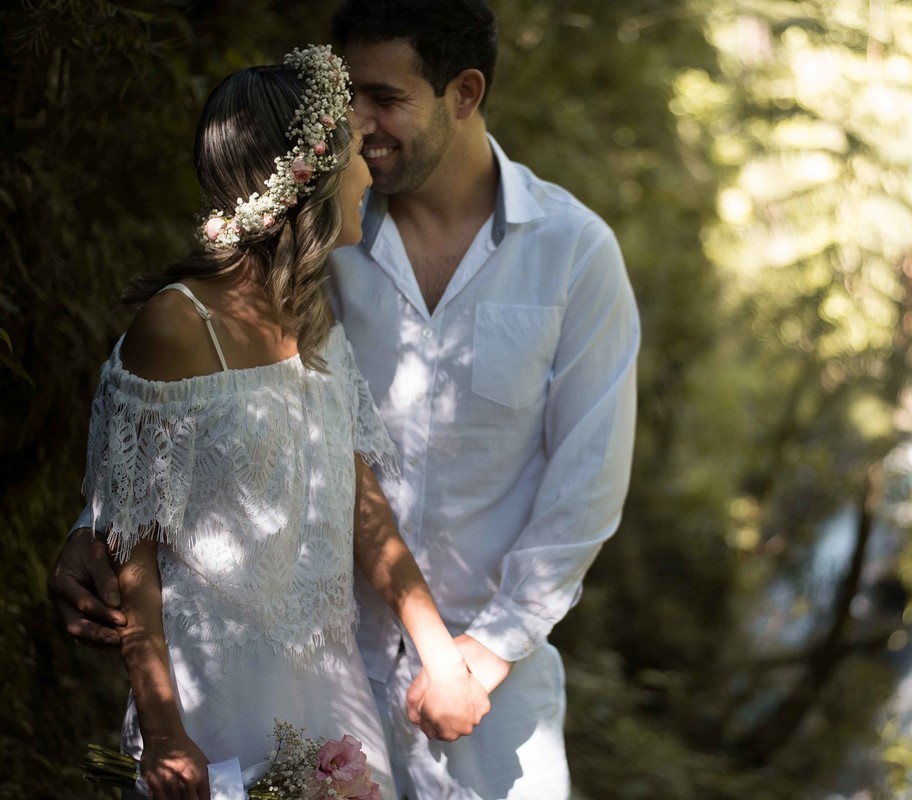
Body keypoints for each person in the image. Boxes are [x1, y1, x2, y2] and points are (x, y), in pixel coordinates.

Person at [49, 2, 640, 797]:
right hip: (321, 672)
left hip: (489, 682)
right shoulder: (321, 242)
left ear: (463, 93)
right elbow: (176, 415)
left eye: (383, 98)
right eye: (345, 98)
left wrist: (485, 652)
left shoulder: (573, 255)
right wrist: (98, 531)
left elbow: (588, 483)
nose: (358, 124)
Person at [73, 45, 489, 800]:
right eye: (356, 158)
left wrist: (440, 654)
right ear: (309, 182)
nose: (371, 174)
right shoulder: (175, 326)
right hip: (213, 705)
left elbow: (363, 508)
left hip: (328, 697)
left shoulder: (315, 318)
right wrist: (166, 731)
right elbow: (131, 549)